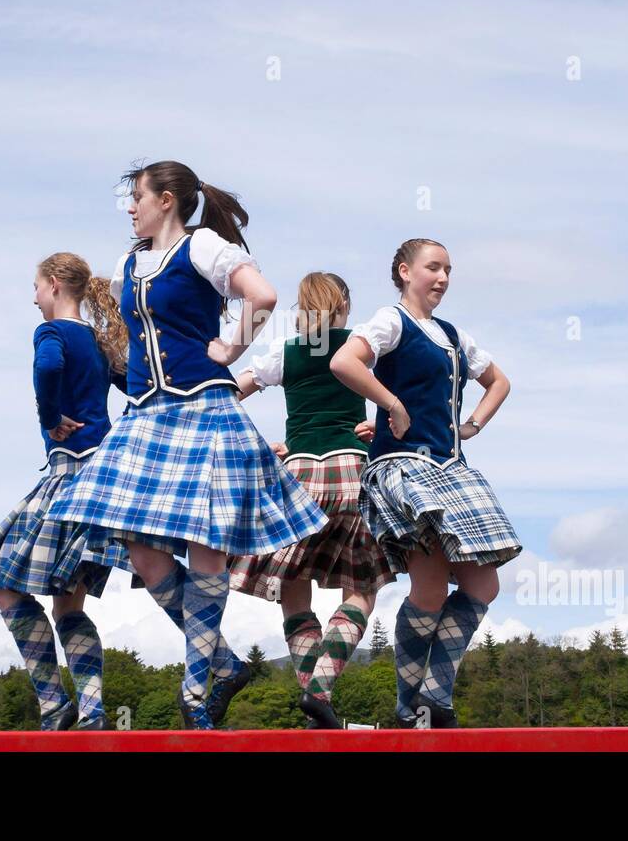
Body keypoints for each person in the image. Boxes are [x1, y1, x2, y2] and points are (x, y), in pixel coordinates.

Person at [47, 160, 327, 729]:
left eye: (137, 197)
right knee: (140, 549)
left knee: (205, 547)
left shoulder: (203, 248)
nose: (130, 208)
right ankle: (223, 662)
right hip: (147, 413)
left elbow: (264, 296)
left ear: (166, 199)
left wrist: (231, 347)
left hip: (202, 405)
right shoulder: (131, 263)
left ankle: (198, 688)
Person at [330, 238, 522, 728]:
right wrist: (391, 404)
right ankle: (413, 708)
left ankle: (432, 697)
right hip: (404, 466)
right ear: (404, 271)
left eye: (448, 270)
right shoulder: (391, 320)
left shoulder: (455, 335)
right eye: (433, 268)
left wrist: (472, 425)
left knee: (483, 583)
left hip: (451, 466)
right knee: (431, 587)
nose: (442, 278)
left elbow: (499, 381)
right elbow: (345, 362)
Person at [0, 251, 131, 731]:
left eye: (36, 287)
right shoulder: (99, 342)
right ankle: (93, 711)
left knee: (5, 590)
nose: (33, 297)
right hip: (102, 483)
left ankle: (56, 705)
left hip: (68, 475)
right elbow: (136, 385)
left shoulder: (51, 333)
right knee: (68, 605)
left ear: (55, 285)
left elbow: (48, 367)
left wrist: (50, 418)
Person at [229, 272, 394, 728]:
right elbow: (409, 389)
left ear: (300, 308)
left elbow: (225, 399)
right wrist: (385, 424)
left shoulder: (284, 354)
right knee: (362, 588)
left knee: (293, 588)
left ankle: (312, 700)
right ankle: (320, 690)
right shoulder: (362, 346)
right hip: (353, 470)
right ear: (345, 304)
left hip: (298, 474)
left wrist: (261, 448)